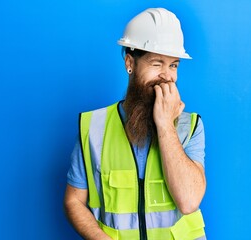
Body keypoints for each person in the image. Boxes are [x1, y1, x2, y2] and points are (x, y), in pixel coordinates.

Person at [64, 8, 207, 240]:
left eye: (173, 65)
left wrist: (165, 125)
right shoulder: (93, 127)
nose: (167, 76)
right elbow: (73, 200)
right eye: (157, 63)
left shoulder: (190, 126)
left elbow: (189, 201)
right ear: (130, 63)